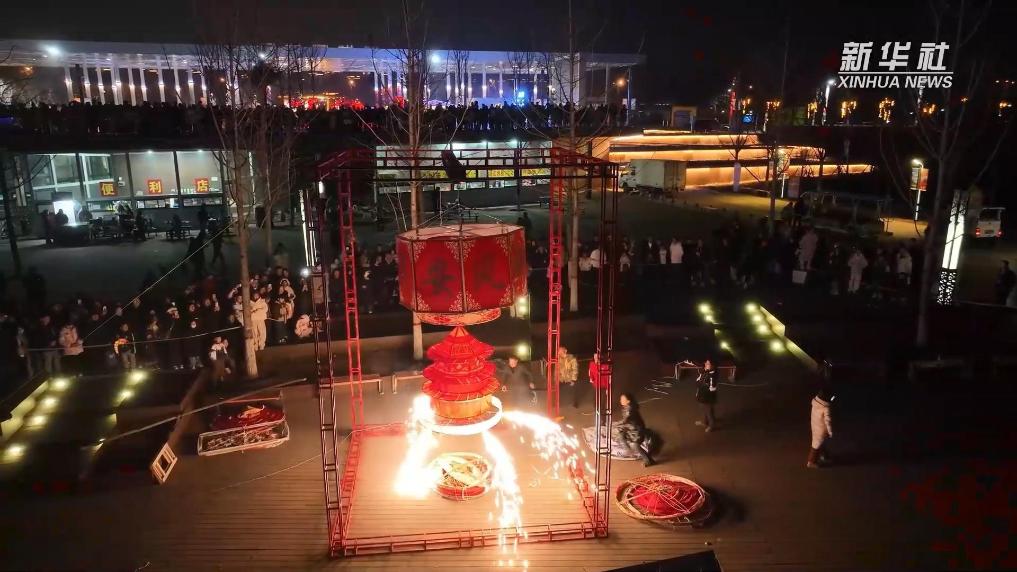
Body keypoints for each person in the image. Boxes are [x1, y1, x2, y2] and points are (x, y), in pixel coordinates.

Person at [616, 393, 655, 466]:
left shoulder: (631, 409)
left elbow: (625, 420)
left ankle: (648, 460)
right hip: (630, 428)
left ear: (628, 401)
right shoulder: (626, 408)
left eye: (623, 399)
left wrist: (616, 424)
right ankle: (629, 451)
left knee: (635, 445)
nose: (620, 400)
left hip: (638, 430)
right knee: (621, 435)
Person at [808, 388, 835, 468]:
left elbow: (831, 399)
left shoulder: (815, 403)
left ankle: (824, 455)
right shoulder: (826, 408)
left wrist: (833, 398)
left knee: (820, 443)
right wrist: (830, 432)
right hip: (821, 430)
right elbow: (828, 421)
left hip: (814, 426)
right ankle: (811, 462)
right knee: (816, 445)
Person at [694, 359, 718, 432]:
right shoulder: (704, 372)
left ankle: (711, 426)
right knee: (704, 410)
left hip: (707, 398)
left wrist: (704, 386)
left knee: (709, 412)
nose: (705, 365)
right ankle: (705, 422)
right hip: (702, 396)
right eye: (705, 363)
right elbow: (698, 380)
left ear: (712, 366)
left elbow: (712, 388)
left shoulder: (712, 376)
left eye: (708, 364)